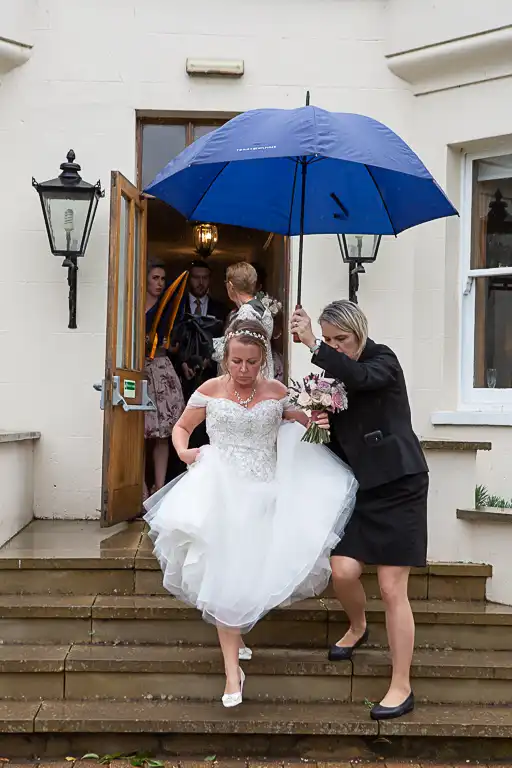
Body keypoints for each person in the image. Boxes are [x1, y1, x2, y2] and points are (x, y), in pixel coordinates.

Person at [144, 318, 357, 708]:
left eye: (252, 363)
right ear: (226, 358)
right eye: (237, 362)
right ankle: (232, 675)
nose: (243, 371)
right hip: (217, 493)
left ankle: (236, 640)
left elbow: (309, 427)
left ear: (264, 361)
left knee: (245, 574)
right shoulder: (209, 390)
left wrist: (318, 414)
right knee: (224, 576)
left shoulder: (277, 393)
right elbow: (181, 428)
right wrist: (184, 452)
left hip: (262, 495)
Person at [291, 300, 428, 722]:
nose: (335, 347)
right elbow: (329, 443)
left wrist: (313, 342)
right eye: (329, 340)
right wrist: (310, 420)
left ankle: (401, 685)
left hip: (401, 484)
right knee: (343, 570)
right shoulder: (325, 378)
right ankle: (358, 625)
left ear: (360, 333)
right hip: (361, 490)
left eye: (341, 339)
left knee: (391, 588)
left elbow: (360, 378)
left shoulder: (382, 360)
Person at [144, 263, 185, 497]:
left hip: (161, 368)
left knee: (162, 433)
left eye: (163, 278)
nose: (159, 283)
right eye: (155, 278)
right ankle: (138, 489)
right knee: (138, 432)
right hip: (138, 369)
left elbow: (176, 344)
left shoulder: (169, 307)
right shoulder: (133, 304)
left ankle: (159, 488)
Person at [213, 261, 274, 377]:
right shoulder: (261, 308)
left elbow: (238, 351)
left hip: (249, 382)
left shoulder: (247, 313)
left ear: (230, 286)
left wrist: (208, 346)